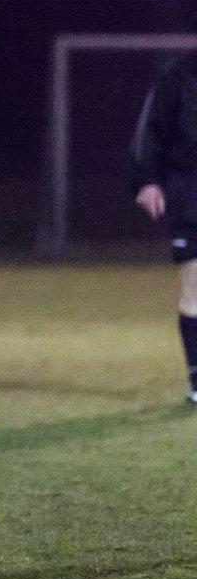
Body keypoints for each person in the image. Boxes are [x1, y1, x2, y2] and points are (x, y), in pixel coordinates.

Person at [131, 51, 197, 405]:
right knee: (196, 286)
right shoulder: (177, 76)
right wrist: (148, 181)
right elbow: (150, 132)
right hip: (191, 196)